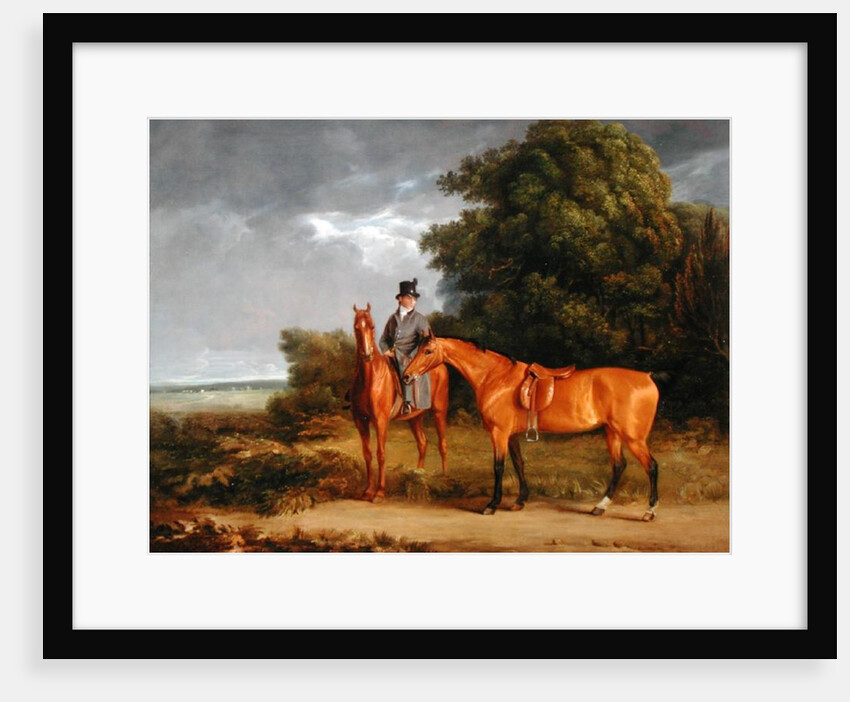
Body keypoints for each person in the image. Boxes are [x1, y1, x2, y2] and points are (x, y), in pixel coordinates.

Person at [379, 278, 432, 414]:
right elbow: (383, 339)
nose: (413, 301)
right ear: (400, 299)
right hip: (392, 354)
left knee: (405, 369)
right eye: (409, 298)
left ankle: (407, 402)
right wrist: (386, 351)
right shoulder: (392, 318)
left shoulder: (420, 319)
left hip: (409, 356)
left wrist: (411, 355)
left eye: (415, 298)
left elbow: (427, 342)